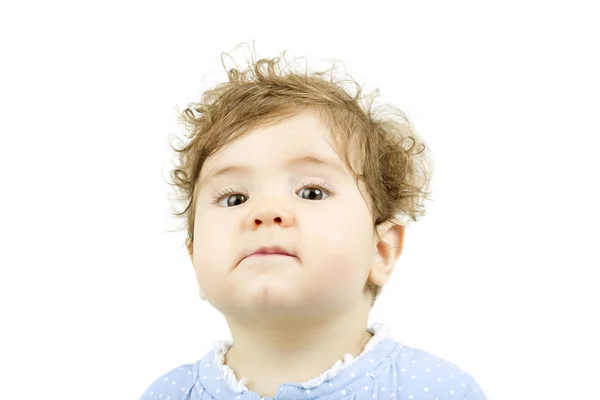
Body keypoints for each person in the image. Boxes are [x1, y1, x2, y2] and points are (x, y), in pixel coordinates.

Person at [139, 45, 487, 400]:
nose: (264, 211)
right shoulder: (168, 394)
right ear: (195, 257)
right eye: (235, 199)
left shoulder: (436, 389)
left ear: (381, 250)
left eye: (311, 193)